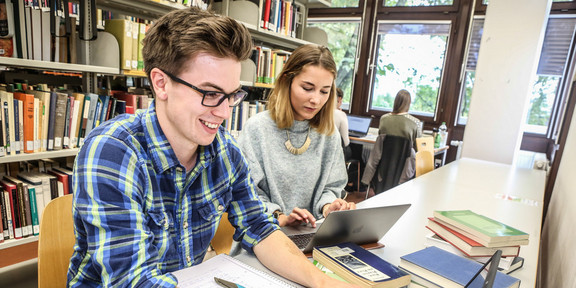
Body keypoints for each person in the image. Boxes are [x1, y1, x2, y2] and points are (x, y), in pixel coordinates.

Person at [67, 7, 356, 288]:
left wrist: (322, 282)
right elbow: (133, 280)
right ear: (161, 83)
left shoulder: (225, 151)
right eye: (210, 93)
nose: (225, 112)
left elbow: (259, 228)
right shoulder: (113, 152)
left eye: (231, 95)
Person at [238, 44, 356, 229]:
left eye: (324, 91)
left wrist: (328, 206)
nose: (316, 100)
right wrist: (279, 216)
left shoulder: (329, 133)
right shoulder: (257, 129)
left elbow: (332, 187)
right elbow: (245, 194)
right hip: (264, 232)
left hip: (313, 234)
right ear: (287, 81)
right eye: (307, 88)